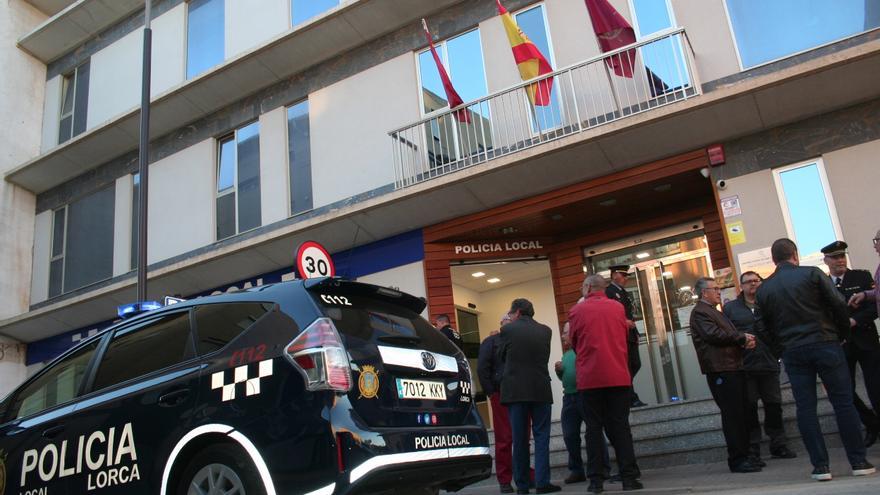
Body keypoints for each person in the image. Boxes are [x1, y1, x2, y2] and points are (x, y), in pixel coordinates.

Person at [757, 238, 874, 481]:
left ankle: (821, 466)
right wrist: (840, 335)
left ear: (774, 260)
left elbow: (761, 327)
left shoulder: (764, 288)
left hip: (793, 351)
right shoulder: (812, 273)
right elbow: (838, 305)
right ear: (795, 255)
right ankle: (858, 461)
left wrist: (780, 350)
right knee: (843, 403)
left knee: (806, 409)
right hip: (825, 343)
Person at [569, 274, 642, 493]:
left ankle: (596, 482)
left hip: (590, 378)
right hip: (618, 375)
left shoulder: (577, 311)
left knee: (593, 428)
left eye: (583, 286)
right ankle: (628, 478)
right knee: (620, 427)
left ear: (588, 287)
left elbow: (573, 341)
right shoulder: (618, 308)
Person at [723, 271, 796, 464]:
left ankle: (778, 444)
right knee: (749, 407)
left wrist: (777, 352)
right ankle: (753, 447)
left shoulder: (769, 302)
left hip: (769, 363)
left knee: (773, 405)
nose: (752, 284)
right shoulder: (731, 309)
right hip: (745, 366)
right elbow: (728, 335)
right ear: (741, 286)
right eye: (748, 282)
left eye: (756, 281)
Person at [690, 276, 761, 474]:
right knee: (733, 416)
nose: (719, 292)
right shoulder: (700, 313)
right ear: (704, 293)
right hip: (721, 369)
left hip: (732, 367)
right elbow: (713, 335)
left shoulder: (712, 311)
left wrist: (742, 341)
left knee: (741, 413)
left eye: (719, 288)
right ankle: (738, 459)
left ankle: (746, 455)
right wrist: (741, 337)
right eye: (715, 289)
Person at [499, 299, 560, 494]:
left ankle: (522, 485)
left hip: (516, 391)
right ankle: (542, 482)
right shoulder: (546, 330)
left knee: (520, 438)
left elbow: (502, 355)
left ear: (517, 312)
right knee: (542, 437)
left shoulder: (508, 330)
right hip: (541, 389)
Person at [822, 240, 880, 447]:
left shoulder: (862, 276)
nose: (839, 261)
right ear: (825, 260)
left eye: (842, 256)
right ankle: (871, 423)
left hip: (866, 340)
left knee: (876, 388)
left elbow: (875, 306)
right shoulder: (822, 283)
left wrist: (855, 320)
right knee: (844, 390)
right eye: (834, 257)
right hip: (841, 344)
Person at [554, 323, 610, 485]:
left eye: (565, 333)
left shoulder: (583, 350)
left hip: (584, 395)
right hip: (569, 397)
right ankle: (577, 470)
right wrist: (560, 372)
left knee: (595, 431)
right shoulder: (566, 355)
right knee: (569, 435)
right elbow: (565, 377)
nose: (563, 336)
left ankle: (603, 467)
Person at [478, 314, 517, 493]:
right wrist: (491, 392)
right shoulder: (491, 342)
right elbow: (482, 368)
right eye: (506, 322)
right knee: (504, 439)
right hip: (500, 394)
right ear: (501, 325)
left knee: (522, 437)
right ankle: (504, 480)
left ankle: (524, 474)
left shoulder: (519, 341)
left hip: (520, 394)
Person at [605, 265, 647, 408]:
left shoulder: (623, 292)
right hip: (619, 336)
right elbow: (608, 315)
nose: (626, 279)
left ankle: (624, 391)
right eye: (624, 276)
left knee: (635, 364)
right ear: (615, 275)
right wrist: (623, 322)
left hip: (629, 335)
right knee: (627, 367)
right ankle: (630, 397)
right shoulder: (609, 292)